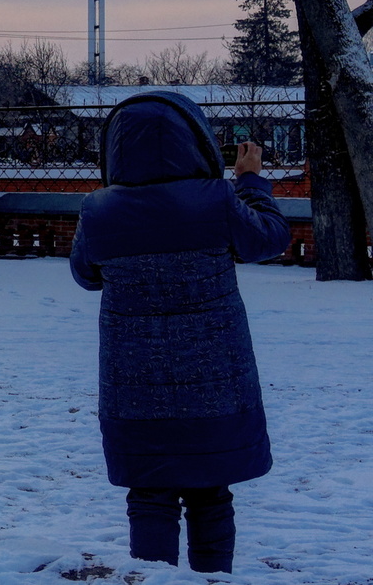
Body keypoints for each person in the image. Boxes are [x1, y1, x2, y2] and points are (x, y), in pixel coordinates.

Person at [70, 91, 290, 574]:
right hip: (218, 385)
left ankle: (154, 580)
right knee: (211, 491)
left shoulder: (99, 210)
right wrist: (251, 182)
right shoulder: (217, 200)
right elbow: (269, 239)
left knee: (149, 492)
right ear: (198, 141)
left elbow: (85, 275)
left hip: (135, 387)